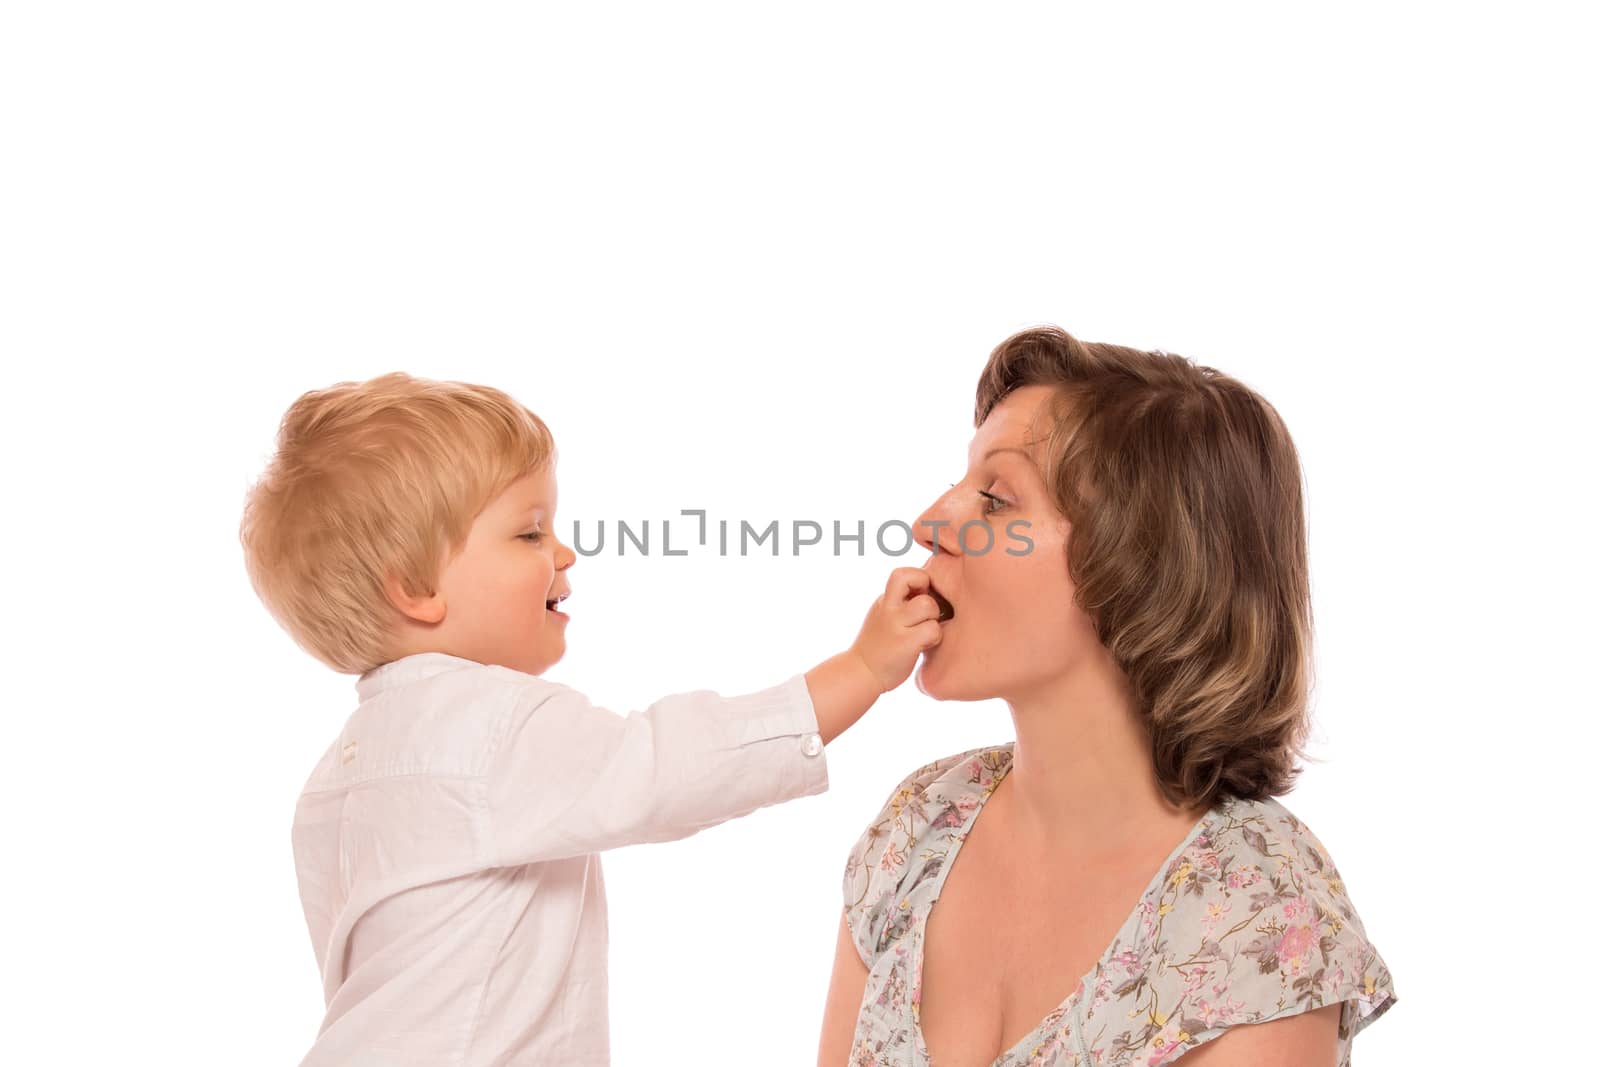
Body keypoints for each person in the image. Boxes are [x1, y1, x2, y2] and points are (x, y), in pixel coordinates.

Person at [238, 372, 943, 1065]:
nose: (564, 553)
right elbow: (666, 767)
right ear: (417, 587)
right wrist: (858, 670)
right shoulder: (490, 727)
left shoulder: (330, 785)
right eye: (530, 533)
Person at [818, 328, 1396, 1066]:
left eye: (995, 499)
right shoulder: (917, 830)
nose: (930, 525)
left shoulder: (1258, 917)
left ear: (1140, 566)